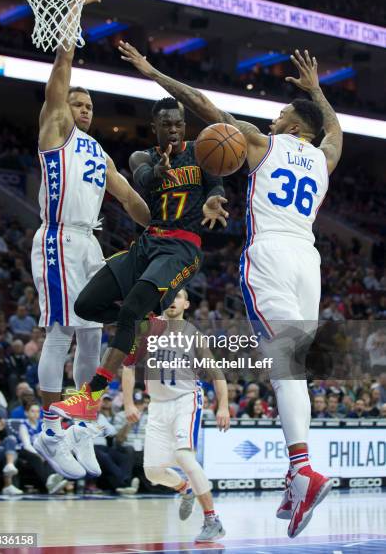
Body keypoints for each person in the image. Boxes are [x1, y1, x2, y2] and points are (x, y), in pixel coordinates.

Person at [118, 42, 343, 538]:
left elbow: (202, 104)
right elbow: (336, 131)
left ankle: (302, 471)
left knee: (287, 369)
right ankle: (296, 473)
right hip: (310, 262)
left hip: (272, 257)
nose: (275, 116)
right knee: (294, 368)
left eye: (282, 113)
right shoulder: (324, 158)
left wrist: (153, 71)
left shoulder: (264, 144)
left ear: (293, 128)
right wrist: (318, 92)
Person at [30, 0, 151, 481]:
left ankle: (77, 423)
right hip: (58, 236)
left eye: (89, 108)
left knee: (90, 334)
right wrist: (71, 15)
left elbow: (128, 199)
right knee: (61, 330)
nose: (84, 111)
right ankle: (48, 427)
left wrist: (165, 224)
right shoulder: (55, 130)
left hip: (89, 242)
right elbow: (60, 74)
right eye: (78, 105)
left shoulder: (99, 153)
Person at [51, 97, 228, 420]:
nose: (173, 130)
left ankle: (92, 395)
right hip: (147, 245)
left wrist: (215, 200)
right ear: (155, 127)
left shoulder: (202, 153)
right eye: (166, 125)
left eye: (178, 124)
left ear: (184, 126)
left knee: (131, 309)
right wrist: (158, 171)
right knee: (85, 306)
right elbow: (143, 179)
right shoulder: (141, 157)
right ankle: (140, 324)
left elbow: (216, 186)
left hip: (182, 249)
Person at [122, 289, 230, 542]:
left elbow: (217, 374)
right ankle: (186, 489)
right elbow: (127, 367)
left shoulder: (194, 335)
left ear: (187, 303)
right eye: (168, 296)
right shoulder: (148, 330)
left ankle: (212, 519)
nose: (172, 301)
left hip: (186, 400)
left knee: (183, 456)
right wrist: (128, 402)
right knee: (152, 472)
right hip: (157, 405)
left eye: (178, 296)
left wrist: (223, 406)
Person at [17, 402, 67, 494]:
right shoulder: (23, 425)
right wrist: (40, 454)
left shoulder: (42, 424)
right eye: (32, 411)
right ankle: (50, 485)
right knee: (37, 458)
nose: (35, 413)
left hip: (39, 450)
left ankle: (54, 481)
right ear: (26, 413)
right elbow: (27, 445)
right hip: (25, 451)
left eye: (37, 411)